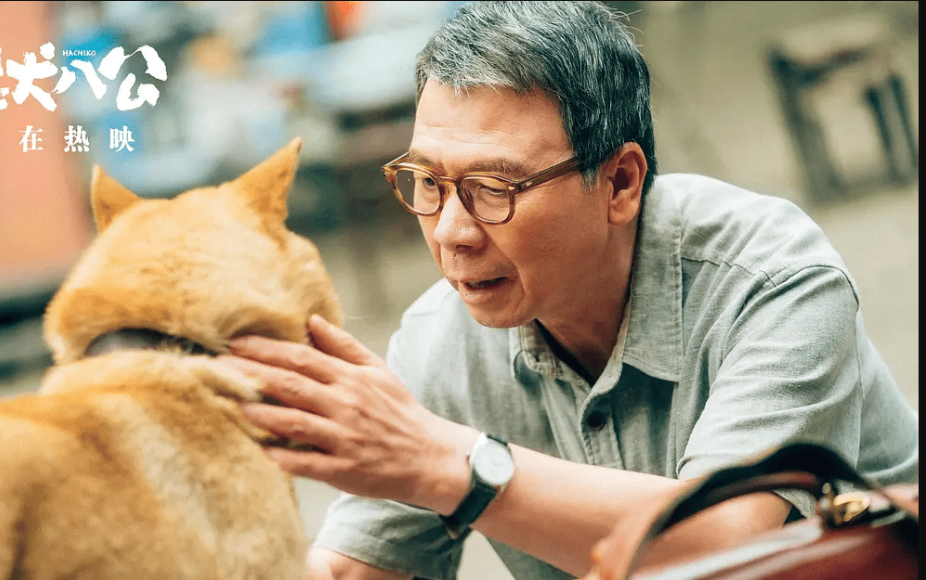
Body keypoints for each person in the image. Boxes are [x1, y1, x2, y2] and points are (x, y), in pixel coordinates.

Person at [221, 2, 919, 579]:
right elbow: (354, 568)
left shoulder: (771, 276)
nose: (452, 234)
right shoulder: (440, 338)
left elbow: (727, 544)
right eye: (428, 184)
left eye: (493, 188)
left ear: (619, 182)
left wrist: (449, 464)